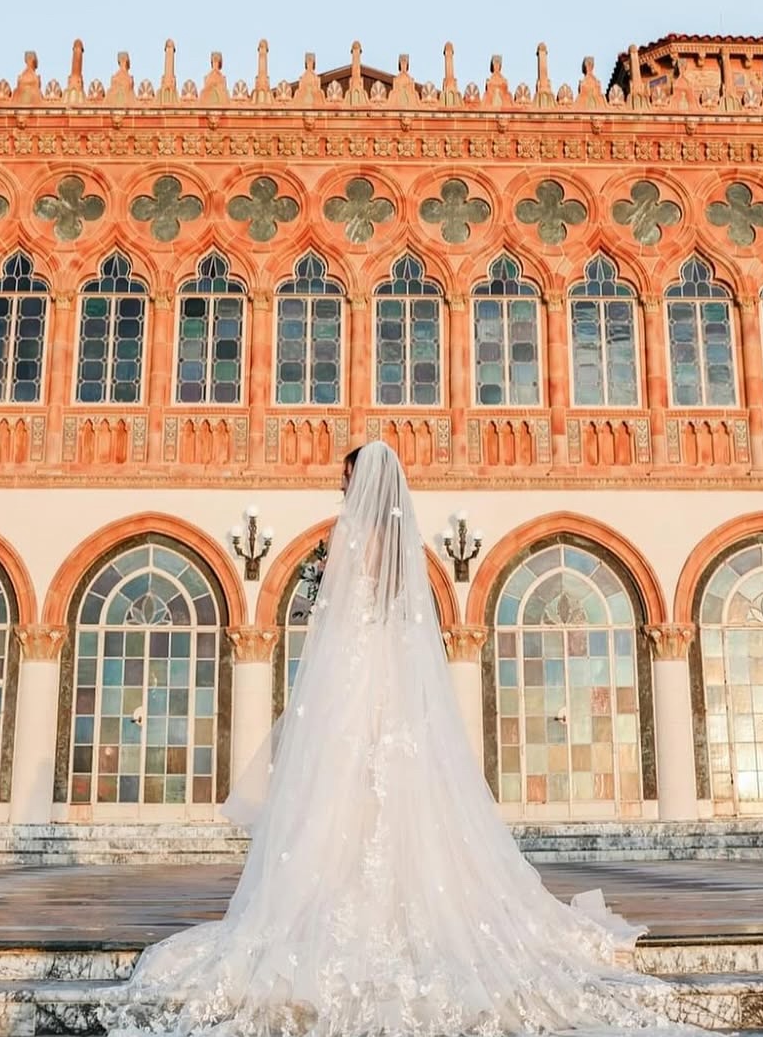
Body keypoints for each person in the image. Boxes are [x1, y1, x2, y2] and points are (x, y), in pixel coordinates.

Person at [106, 442, 699, 1036]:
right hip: (390, 673)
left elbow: (334, 612)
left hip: (352, 674)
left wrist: (319, 586)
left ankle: (335, 906)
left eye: (345, 479)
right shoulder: (402, 544)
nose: (341, 489)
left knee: (341, 788)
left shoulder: (348, 536)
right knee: (393, 785)